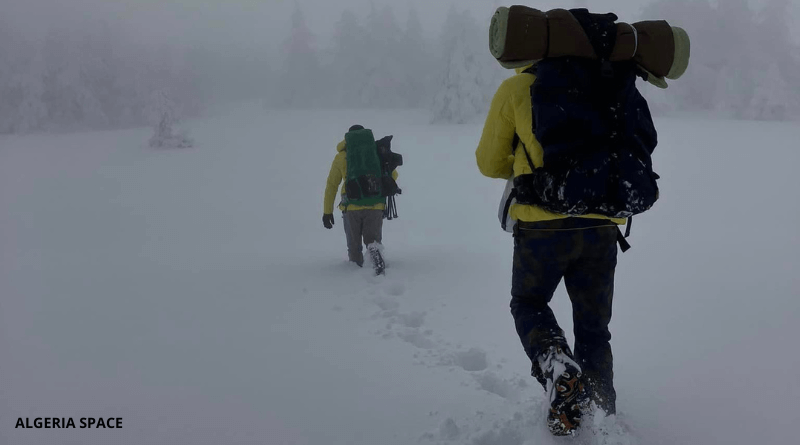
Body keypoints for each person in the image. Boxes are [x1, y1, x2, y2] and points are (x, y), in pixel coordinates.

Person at [476, 66, 626, 434]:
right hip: (601, 224)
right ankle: (601, 417)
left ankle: (557, 363)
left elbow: (489, 162)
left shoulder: (517, 88)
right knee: (594, 326)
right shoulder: (608, 80)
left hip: (540, 224)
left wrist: (529, 164)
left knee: (528, 302)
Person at [323, 125, 398, 273]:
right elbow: (393, 176)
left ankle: (356, 271)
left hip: (351, 206)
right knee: (373, 242)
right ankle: (376, 263)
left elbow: (332, 185)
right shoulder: (375, 152)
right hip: (375, 205)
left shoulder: (341, 157)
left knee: (354, 246)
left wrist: (327, 212)